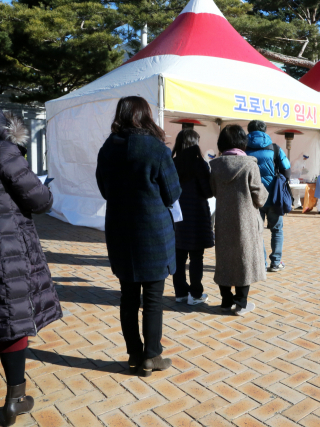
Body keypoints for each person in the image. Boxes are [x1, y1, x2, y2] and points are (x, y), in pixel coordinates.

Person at [0, 86, 62, 426]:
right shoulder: (1, 151)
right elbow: (40, 201)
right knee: (9, 321)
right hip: (2, 254)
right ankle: (14, 400)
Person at [96, 96, 181, 377]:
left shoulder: (108, 148)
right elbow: (172, 193)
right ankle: (152, 356)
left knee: (128, 296)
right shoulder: (157, 150)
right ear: (146, 115)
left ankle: (134, 353)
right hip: (153, 232)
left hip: (121, 230)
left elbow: (104, 189)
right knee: (153, 299)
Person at [210, 125, 268, 315]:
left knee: (225, 259)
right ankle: (241, 303)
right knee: (245, 259)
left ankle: (226, 301)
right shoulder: (250, 164)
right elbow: (258, 197)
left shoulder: (215, 166)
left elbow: (213, 191)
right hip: (246, 220)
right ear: (242, 141)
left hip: (224, 218)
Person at [172, 130, 214, 306]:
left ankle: (180, 293)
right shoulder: (200, 164)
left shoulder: (171, 163)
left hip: (177, 215)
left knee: (179, 256)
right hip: (197, 217)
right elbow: (208, 192)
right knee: (196, 257)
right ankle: (195, 294)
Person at [245, 120, 290, 272]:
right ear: (265, 131)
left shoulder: (243, 149)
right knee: (277, 229)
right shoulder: (275, 149)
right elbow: (286, 169)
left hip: (253, 196)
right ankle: (276, 262)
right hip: (274, 196)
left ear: (249, 131)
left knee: (257, 231)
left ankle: (261, 263)